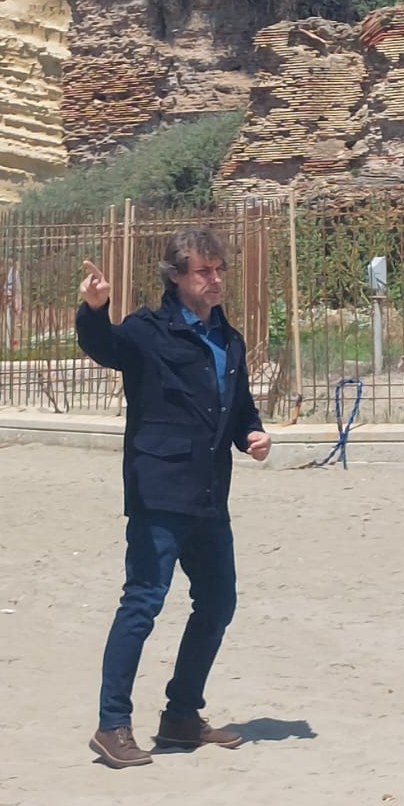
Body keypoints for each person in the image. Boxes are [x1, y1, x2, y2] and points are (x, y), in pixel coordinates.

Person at [76, 226, 271, 769]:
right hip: (159, 490)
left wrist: (252, 435)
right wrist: (95, 309)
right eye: (204, 271)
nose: (215, 279)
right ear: (177, 276)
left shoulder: (229, 339)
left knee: (218, 602)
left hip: (209, 494)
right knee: (143, 601)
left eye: (219, 269)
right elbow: (104, 347)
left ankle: (181, 716)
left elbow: (238, 406)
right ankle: (112, 724)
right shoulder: (147, 330)